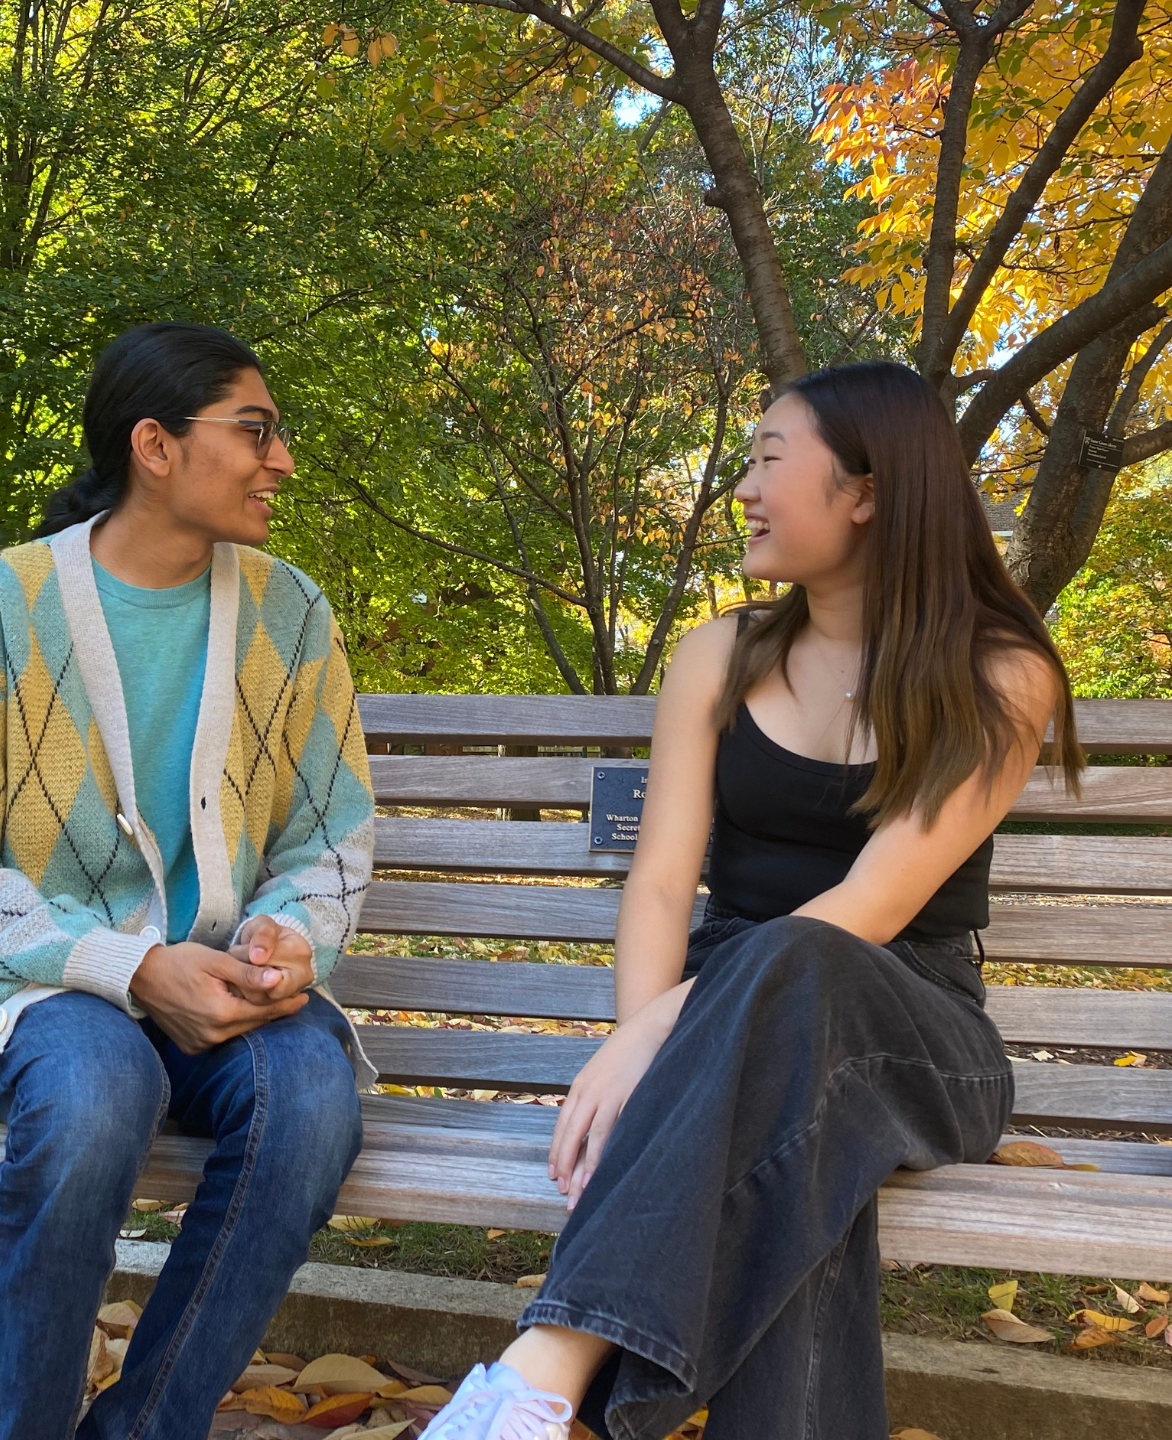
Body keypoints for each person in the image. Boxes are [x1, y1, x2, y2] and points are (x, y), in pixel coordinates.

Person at [420, 362, 1085, 1440]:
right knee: (806, 1170)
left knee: (800, 964)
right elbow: (661, 876)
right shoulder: (720, 656)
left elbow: (868, 908)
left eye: (770, 460)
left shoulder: (1000, 674)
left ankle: (548, 1363)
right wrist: (641, 1035)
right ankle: (530, 1402)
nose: (742, 489)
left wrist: (671, 1032)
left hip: (913, 1028)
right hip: (743, 1031)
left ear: (866, 491)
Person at [0, 322, 376, 1440]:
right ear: (154, 445)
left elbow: (327, 834)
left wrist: (288, 938)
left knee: (309, 1103)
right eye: (255, 430)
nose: (282, 459)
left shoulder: (291, 614)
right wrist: (130, 965)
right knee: (96, 1093)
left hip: (225, 987)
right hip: (45, 991)